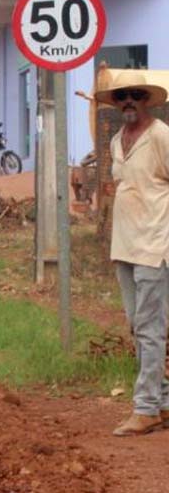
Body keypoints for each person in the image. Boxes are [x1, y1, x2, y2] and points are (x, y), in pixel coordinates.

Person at [95, 70, 169, 436]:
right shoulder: (116, 140)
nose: (128, 101)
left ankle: (145, 409)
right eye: (122, 95)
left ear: (146, 100)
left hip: (155, 244)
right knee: (137, 325)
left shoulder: (160, 136)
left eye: (135, 95)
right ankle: (163, 401)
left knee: (151, 329)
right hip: (124, 245)